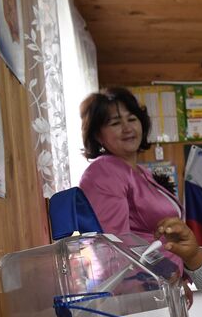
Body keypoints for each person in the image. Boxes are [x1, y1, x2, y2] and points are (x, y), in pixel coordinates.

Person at [78, 87, 186, 274]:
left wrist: (179, 276)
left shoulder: (141, 172)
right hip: (137, 289)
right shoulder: (105, 171)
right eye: (115, 123)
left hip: (163, 284)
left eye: (132, 119)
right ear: (97, 135)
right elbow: (115, 243)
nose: (127, 128)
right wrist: (167, 273)